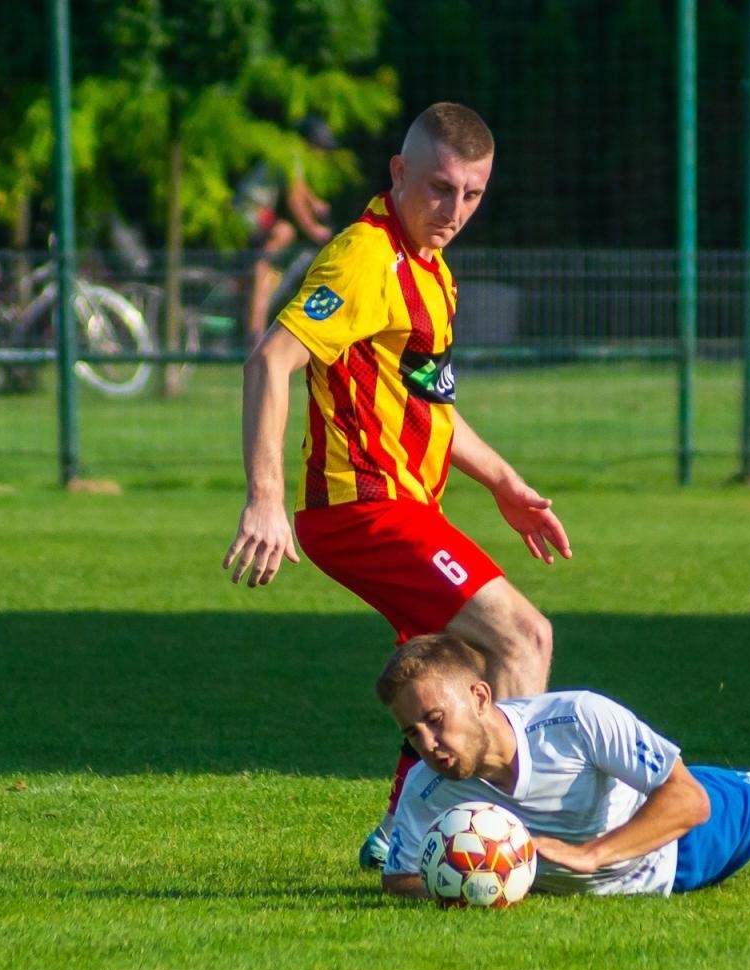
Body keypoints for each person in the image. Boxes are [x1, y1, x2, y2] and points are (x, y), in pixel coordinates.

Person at [222, 103, 571, 868]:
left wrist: (507, 485)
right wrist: (265, 497)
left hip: (407, 505)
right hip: (360, 508)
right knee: (524, 635)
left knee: (466, 670)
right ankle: (497, 841)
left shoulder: (432, 276)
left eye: (473, 195)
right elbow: (270, 361)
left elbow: (432, 409)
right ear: (400, 173)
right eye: (441, 188)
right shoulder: (363, 260)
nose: (455, 211)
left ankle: (408, 832)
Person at [375, 634, 750, 899]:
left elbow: (689, 802)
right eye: (412, 732)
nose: (427, 743)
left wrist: (589, 856)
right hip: (632, 862)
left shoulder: (575, 720)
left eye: (434, 719)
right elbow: (399, 875)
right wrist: (472, 878)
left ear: (480, 698)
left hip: (683, 843)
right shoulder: (428, 791)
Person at [235, 115, 339, 343]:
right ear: (313, 142)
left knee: (283, 233)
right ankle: (255, 327)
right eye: (321, 148)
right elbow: (294, 198)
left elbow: (300, 188)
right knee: (285, 231)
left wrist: (315, 203)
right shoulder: (292, 155)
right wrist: (314, 230)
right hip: (248, 210)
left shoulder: (293, 155)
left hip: (255, 211)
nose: (321, 154)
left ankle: (262, 271)